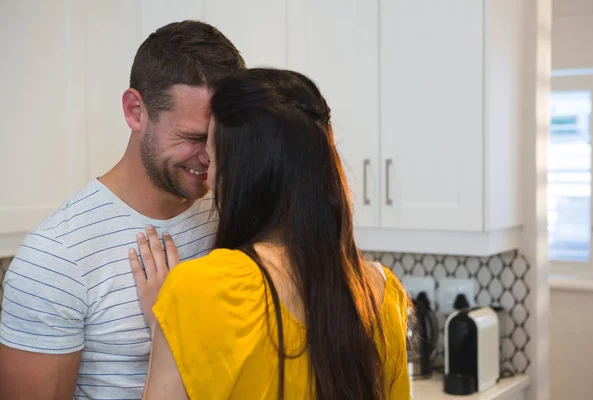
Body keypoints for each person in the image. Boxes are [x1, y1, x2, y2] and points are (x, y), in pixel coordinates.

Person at [129, 68, 411, 399]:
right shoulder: (381, 294)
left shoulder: (199, 290)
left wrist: (170, 325)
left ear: (241, 173)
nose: (208, 175)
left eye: (214, 155)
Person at [0, 20, 245, 399]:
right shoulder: (56, 259)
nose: (210, 157)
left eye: (221, 139)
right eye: (194, 137)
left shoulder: (231, 213)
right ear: (135, 112)